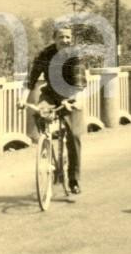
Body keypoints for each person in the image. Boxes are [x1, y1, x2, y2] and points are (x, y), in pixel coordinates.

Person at [21, 25, 86, 194]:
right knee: (39, 112)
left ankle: (73, 179)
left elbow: (79, 84)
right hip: (50, 95)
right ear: (54, 39)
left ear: (71, 40)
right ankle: (47, 144)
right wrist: (21, 100)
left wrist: (72, 101)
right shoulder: (44, 55)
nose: (65, 40)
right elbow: (31, 81)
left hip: (71, 96)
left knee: (74, 136)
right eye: (61, 37)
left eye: (68, 37)